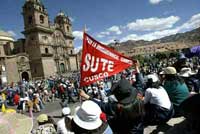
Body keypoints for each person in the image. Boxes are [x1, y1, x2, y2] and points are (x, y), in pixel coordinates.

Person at [80, 78, 144, 134]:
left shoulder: (117, 107)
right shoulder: (139, 97)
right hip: (139, 129)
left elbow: (101, 105)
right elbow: (140, 84)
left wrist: (86, 96)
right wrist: (137, 69)